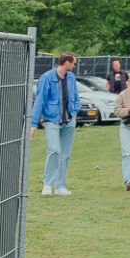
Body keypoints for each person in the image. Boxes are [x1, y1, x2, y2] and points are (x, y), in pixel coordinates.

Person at [30, 51, 81, 196]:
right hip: (51, 120)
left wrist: (75, 111)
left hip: (69, 120)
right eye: (74, 63)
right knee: (54, 150)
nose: (74, 65)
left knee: (65, 154)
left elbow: (76, 96)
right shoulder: (46, 78)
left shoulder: (71, 77)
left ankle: (60, 186)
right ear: (67, 62)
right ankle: (47, 185)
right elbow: (39, 100)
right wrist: (33, 123)